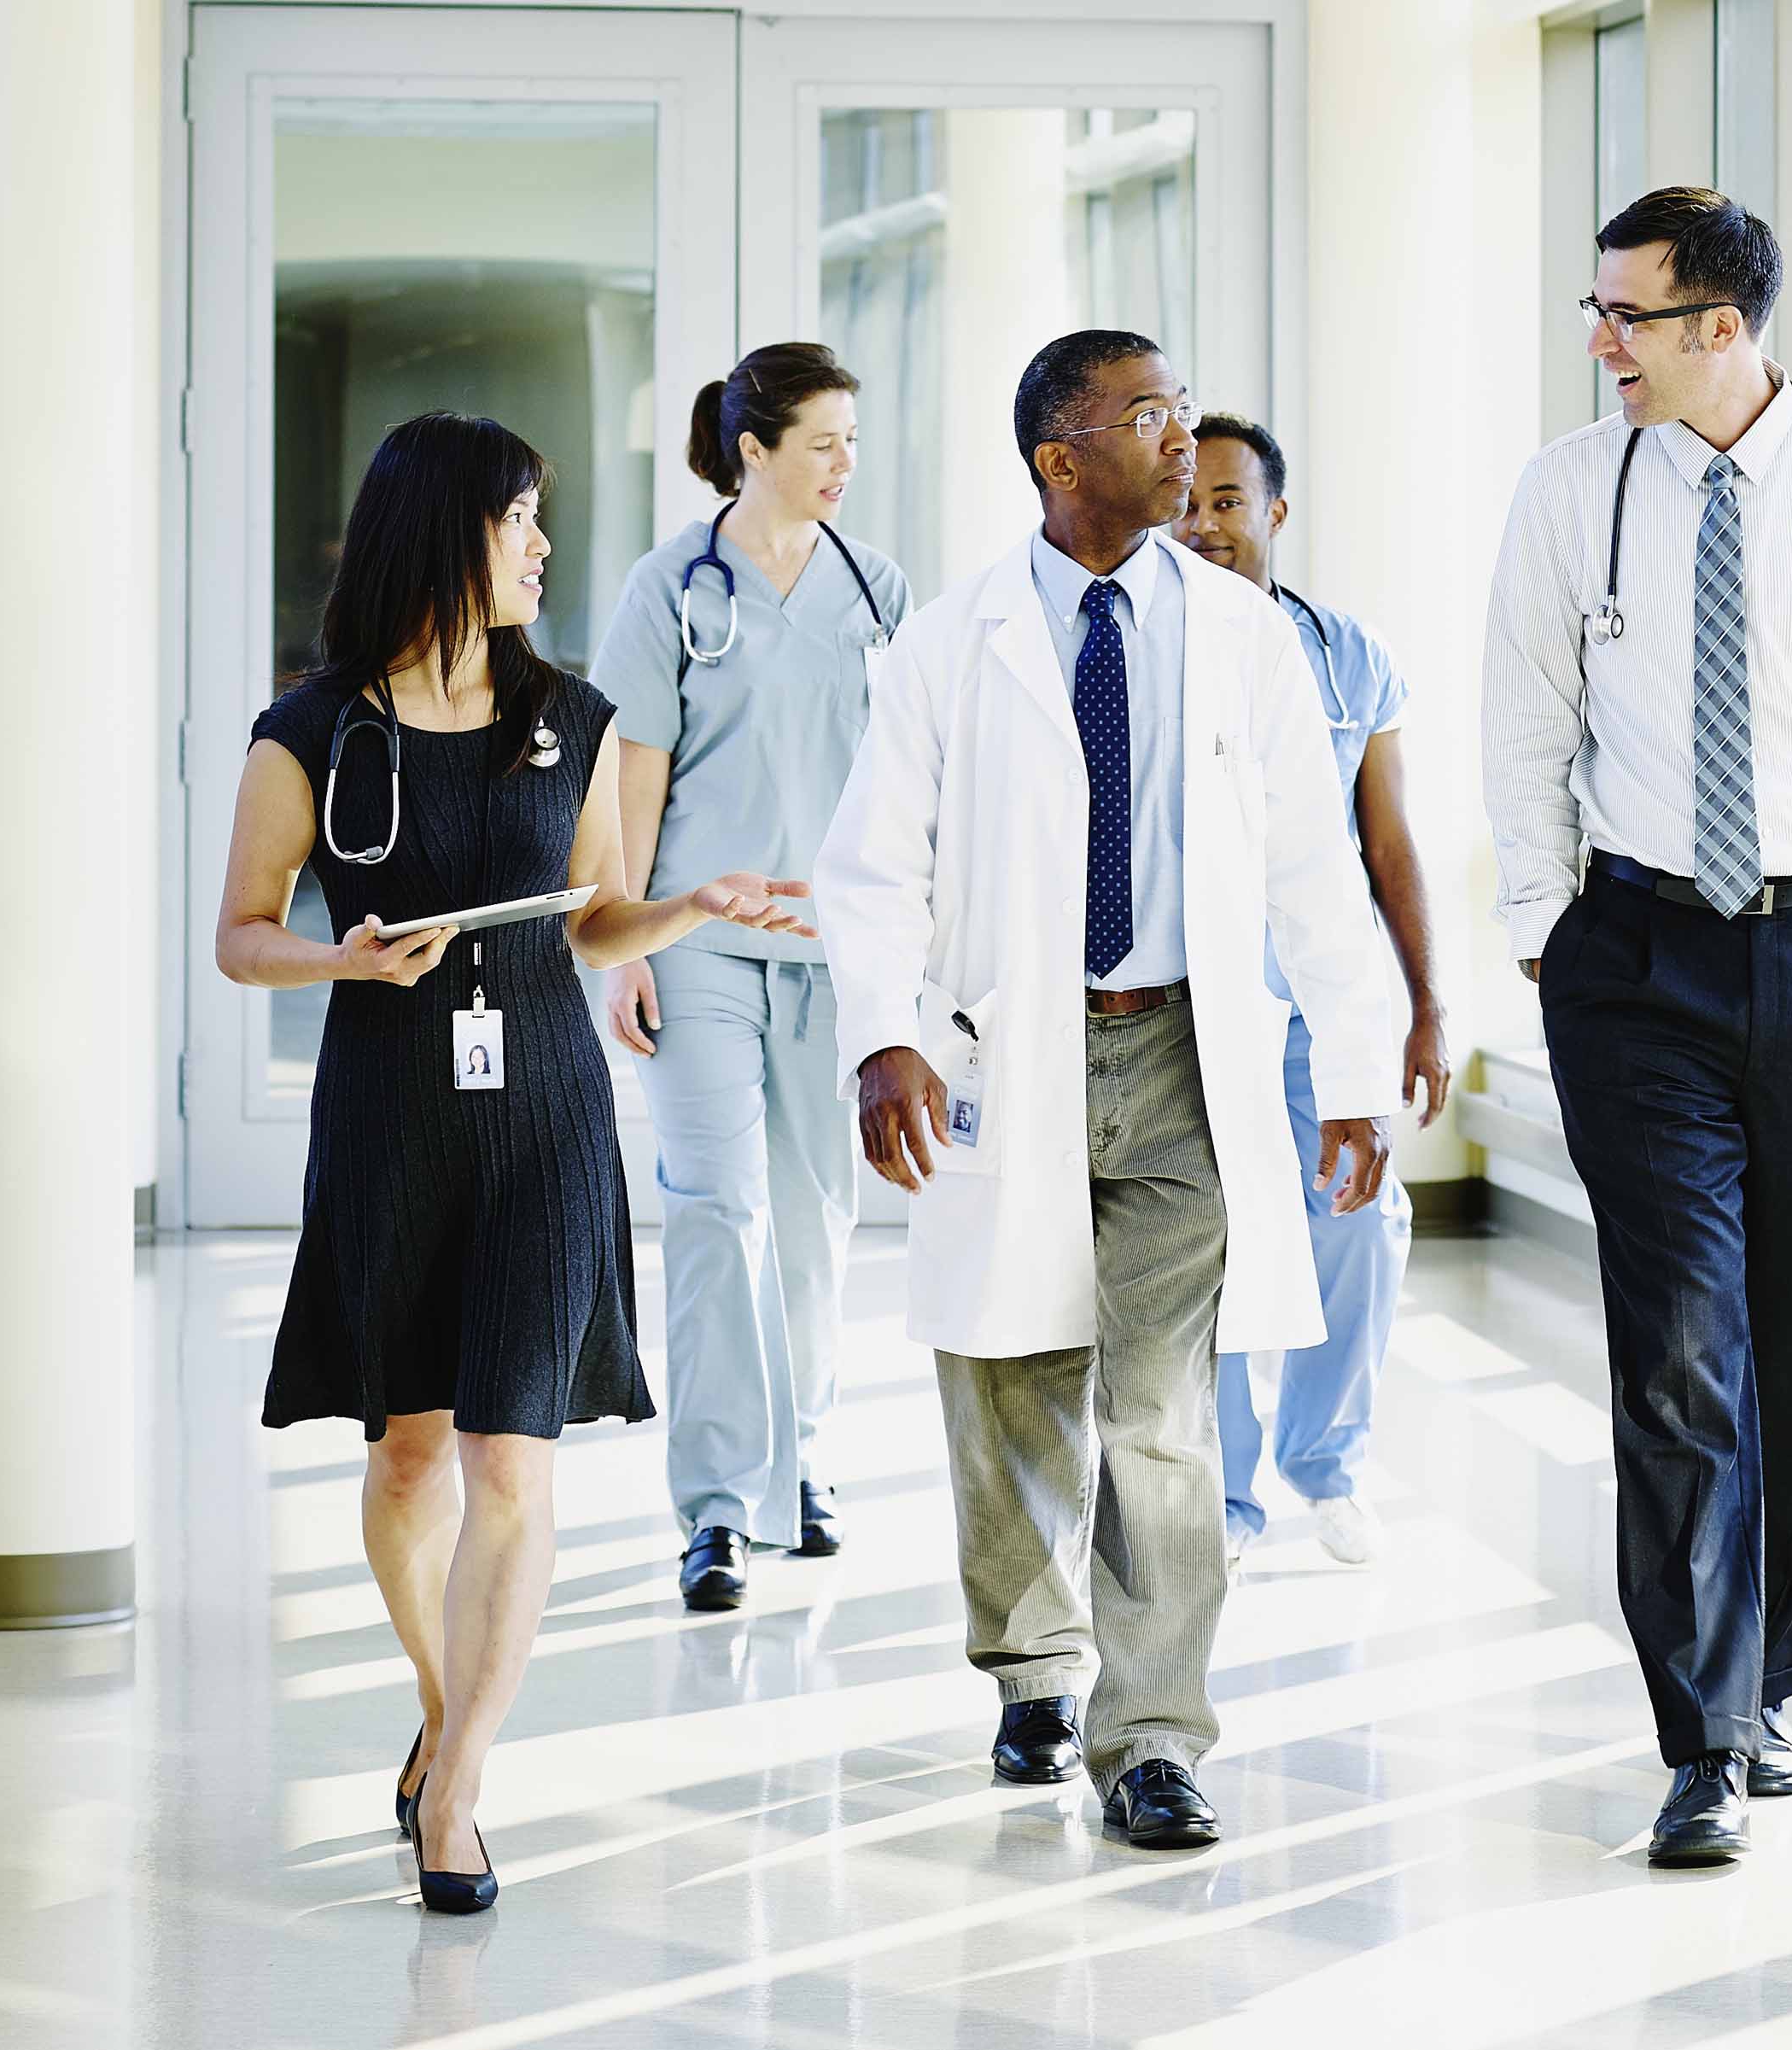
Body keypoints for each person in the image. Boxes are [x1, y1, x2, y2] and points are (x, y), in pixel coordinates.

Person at [814, 331, 1407, 1852]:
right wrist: (885, 1035)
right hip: (1003, 1045)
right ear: (1057, 458)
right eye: (1145, 416)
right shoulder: (947, 643)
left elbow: (1309, 867)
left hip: (1179, 1049)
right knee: (1008, 1378)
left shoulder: (1241, 635)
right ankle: (1031, 1661)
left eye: (1181, 408)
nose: (1179, 438)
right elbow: (875, 862)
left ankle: (1150, 1734)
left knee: (1160, 1410)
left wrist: (1353, 1065)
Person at [214, 412, 814, 1914]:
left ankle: (461, 1784)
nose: (545, 546)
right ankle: (438, 1703)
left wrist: (692, 907)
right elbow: (239, 934)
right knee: (410, 1450)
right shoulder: (310, 733)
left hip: (544, 1110)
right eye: (522, 519)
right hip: (389, 1114)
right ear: (445, 533)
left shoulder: (575, 712)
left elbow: (594, 917)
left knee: (509, 1457)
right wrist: (335, 960)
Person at [1482, 189, 1792, 1868]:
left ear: (1725, 327)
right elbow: (1522, 718)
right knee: (1681, 1347)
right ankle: (1699, 1738)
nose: (1601, 341)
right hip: (1638, 964)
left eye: (1630, 314)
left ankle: (1766, 1678)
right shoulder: (1574, 487)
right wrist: (1550, 929)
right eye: (1595, 310)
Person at [599, 343, 913, 1611]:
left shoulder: (876, 588)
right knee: (720, 1210)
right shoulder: (672, 586)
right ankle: (720, 1504)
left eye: (852, 440)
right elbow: (632, 772)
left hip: (833, 957)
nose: (847, 464)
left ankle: (804, 1466)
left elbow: (902, 782)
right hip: (699, 948)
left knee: (813, 1222)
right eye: (824, 442)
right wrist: (622, 938)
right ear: (754, 450)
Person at [1172, 412, 1453, 1569]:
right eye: (1188, 500)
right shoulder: (1145, 643)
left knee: (1361, 1215)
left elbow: (1387, 844)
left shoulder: (1349, 656)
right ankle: (1228, 1497)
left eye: (1228, 501)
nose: (1205, 525)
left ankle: (1326, 1459)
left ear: (1273, 514)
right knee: (1218, 1242)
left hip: (1319, 999)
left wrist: (1425, 1002)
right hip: (1191, 1000)